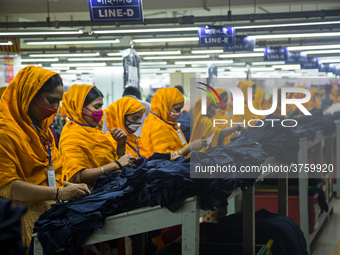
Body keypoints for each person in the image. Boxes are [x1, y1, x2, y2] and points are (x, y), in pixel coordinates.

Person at [0, 66, 90, 248]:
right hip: (19, 221)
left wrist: (66, 186)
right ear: (30, 95)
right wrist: (59, 192)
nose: (56, 108)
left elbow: (45, 173)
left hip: (46, 215)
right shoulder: (5, 132)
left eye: (59, 102)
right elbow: (8, 186)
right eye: (51, 101)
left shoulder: (42, 131)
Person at [59, 84, 135, 187]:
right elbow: (78, 176)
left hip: (106, 187)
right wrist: (117, 164)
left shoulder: (93, 131)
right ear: (80, 107)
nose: (100, 112)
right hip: (87, 195)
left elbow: (113, 165)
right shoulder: (71, 136)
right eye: (96, 107)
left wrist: (121, 145)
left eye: (101, 107)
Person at [141, 87, 207, 158]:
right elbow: (163, 158)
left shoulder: (169, 123)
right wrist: (190, 147)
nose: (179, 113)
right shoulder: (157, 126)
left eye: (180, 109)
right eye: (177, 109)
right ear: (165, 106)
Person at [191, 88, 248, 153]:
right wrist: (236, 127)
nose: (216, 110)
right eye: (215, 107)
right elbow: (218, 133)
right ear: (206, 107)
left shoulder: (207, 119)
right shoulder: (204, 120)